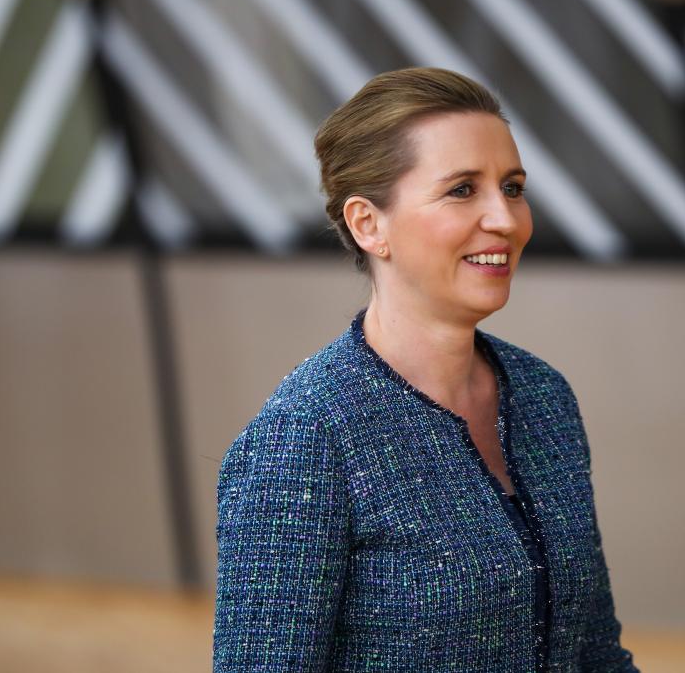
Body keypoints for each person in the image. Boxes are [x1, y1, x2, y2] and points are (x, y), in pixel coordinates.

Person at [213, 66, 639, 672]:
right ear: (368, 224)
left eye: (512, 187)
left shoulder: (544, 395)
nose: (505, 219)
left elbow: (595, 653)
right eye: (462, 190)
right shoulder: (307, 437)